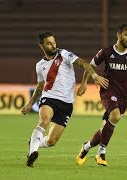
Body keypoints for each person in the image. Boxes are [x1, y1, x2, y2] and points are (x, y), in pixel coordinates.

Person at [21, 31, 109, 168]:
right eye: (49, 43)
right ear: (41, 46)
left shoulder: (64, 54)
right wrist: (29, 104)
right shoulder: (40, 65)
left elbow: (83, 63)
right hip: (49, 98)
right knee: (44, 121)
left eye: (54, 42)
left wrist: (94, 76)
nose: (53, 45)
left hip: (67, 103)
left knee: (52, 141)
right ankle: (33, 152)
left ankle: (34, 141)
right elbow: (40, 87)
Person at [75, 23, 127, 166]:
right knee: (115, 116)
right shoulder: (106, 52)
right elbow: (90, 66)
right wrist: (84, 84)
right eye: (126, 34)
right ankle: (101, 153)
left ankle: (86, 147)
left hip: (125, 96)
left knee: (105, 127)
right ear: (118, 35)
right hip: (108, 90)